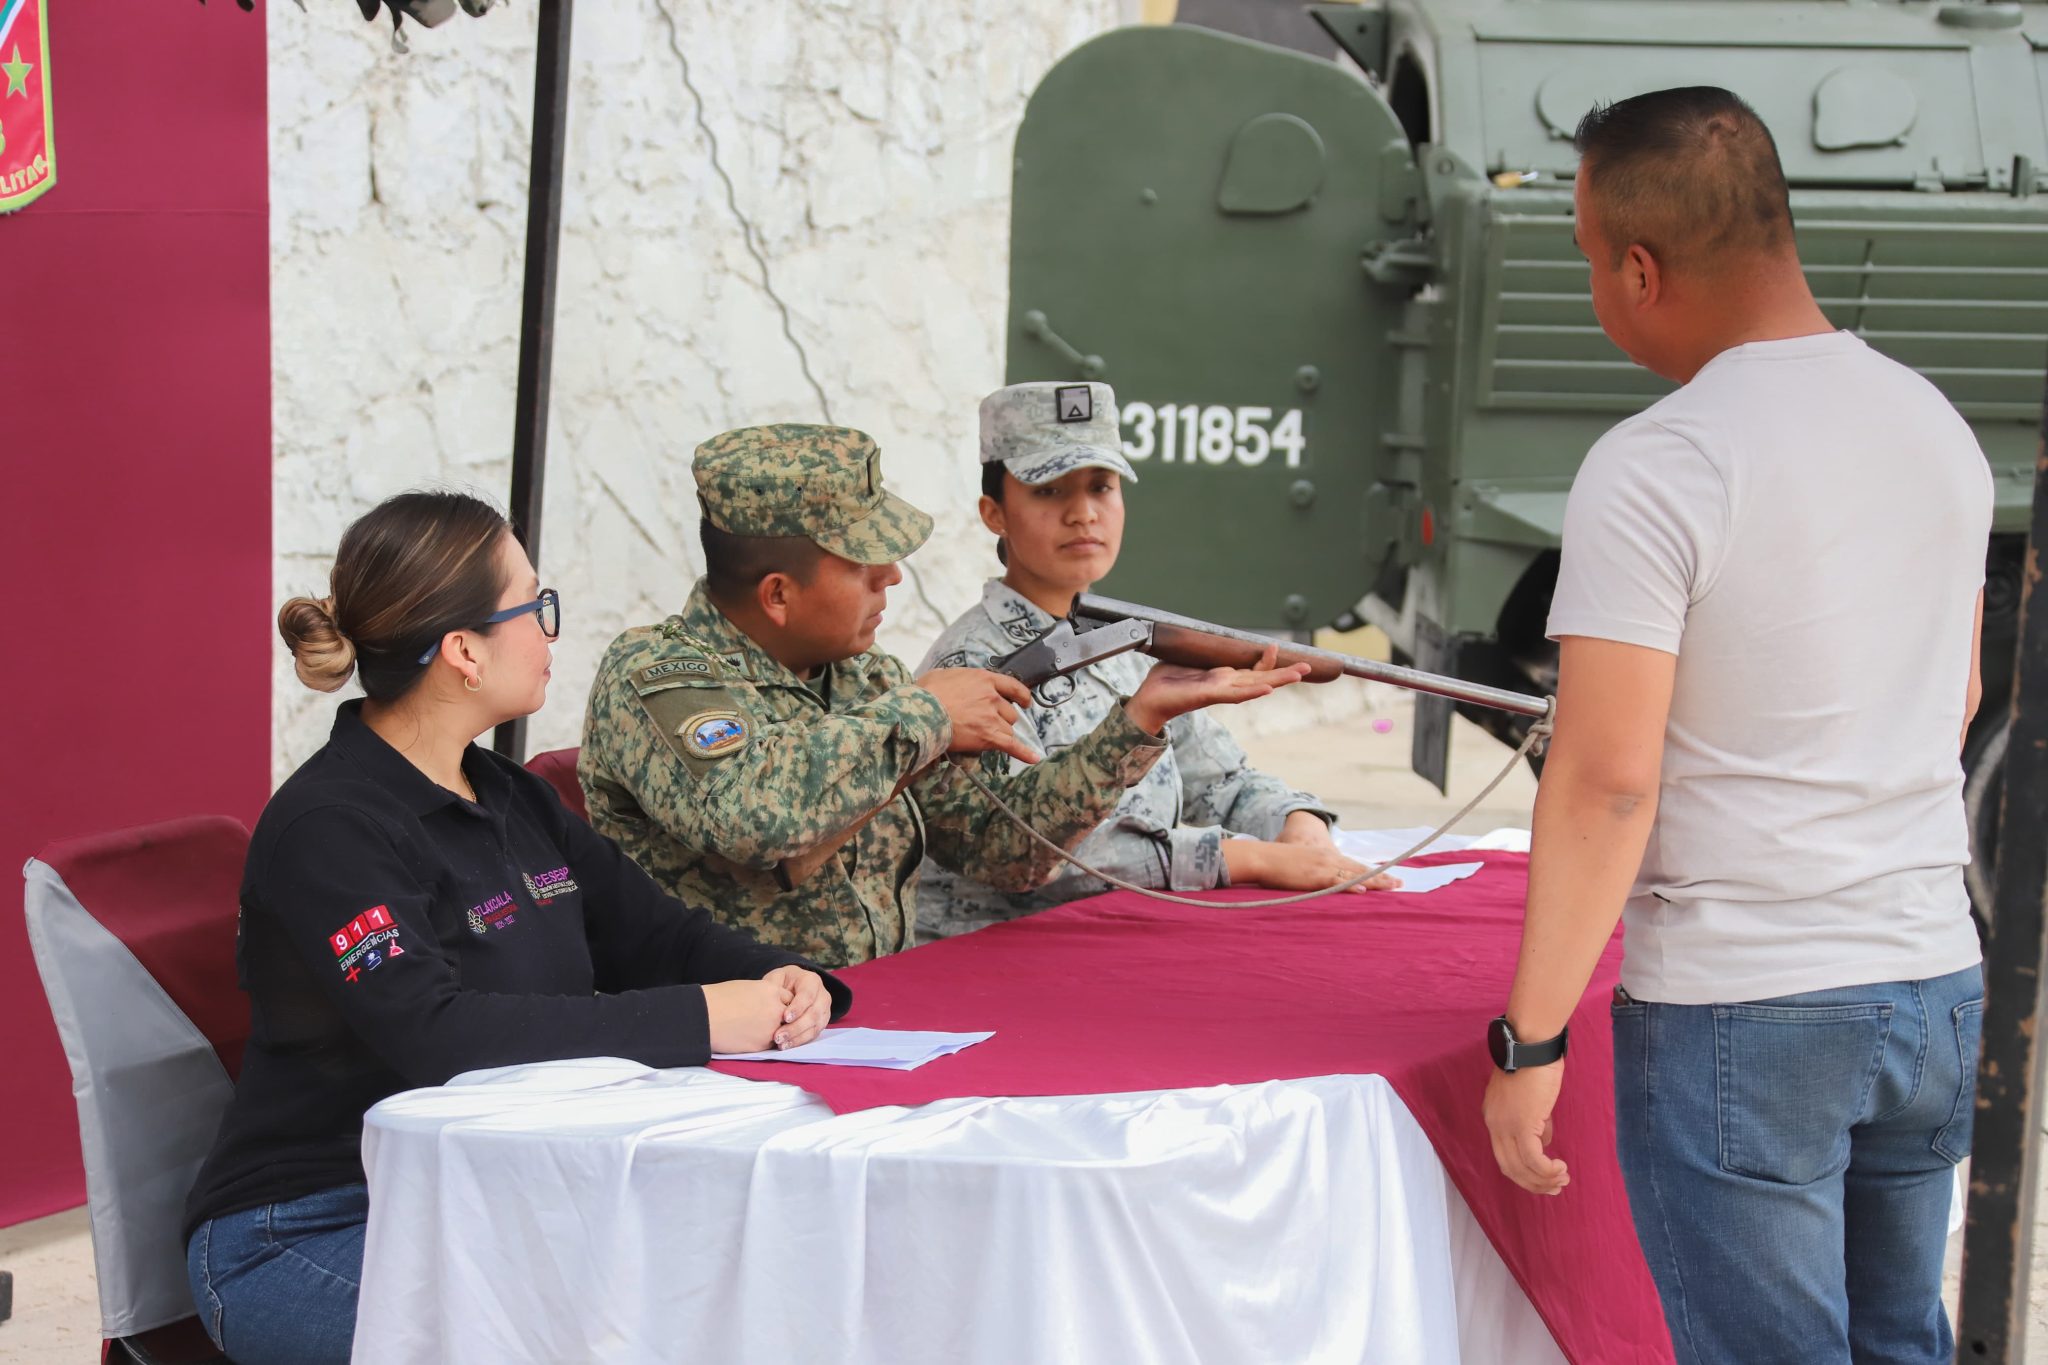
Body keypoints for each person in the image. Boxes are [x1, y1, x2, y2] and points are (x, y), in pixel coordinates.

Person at [1478, 88, 1988, 1364]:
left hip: (1744, 1010)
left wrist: (1528, 1040)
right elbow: (1959, 699)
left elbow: (1604, 781)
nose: (1596, 288)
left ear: (1639, 270)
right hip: (1930, 977)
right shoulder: (1935, 426)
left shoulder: (1662, 461)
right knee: (1897, 1345)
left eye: (1591, 260)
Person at [183, 491, 848, 1365]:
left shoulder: (512, 796)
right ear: (462, 650)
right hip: (315, 1224)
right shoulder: (330, 827)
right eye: (534, 606)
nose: (549, 630)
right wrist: (704, 1017)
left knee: (738, 1301)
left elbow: (661, 935)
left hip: (492, 1200)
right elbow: (437, 1033)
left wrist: (794, 979)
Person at [579, 423, 1309, 965]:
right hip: (713, 1047)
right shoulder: (657, 674)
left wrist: (1138, 720)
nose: (892, 577)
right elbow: (756, 817)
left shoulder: (867, 680)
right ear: (778, 594)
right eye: (865, 564)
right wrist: (924, 714)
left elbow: (1005, 852)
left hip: (869, 1018)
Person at [915, 381, 1396, 940]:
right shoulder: (973, 665)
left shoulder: (1119, 641)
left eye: (1102, 487)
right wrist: (1249, 859)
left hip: (1106, 947)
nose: (1083, 514)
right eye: (1049, 491)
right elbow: (1032, 856)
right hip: (982, 967)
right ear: (994, 514)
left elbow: (1218, 779)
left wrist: (1297, 825)